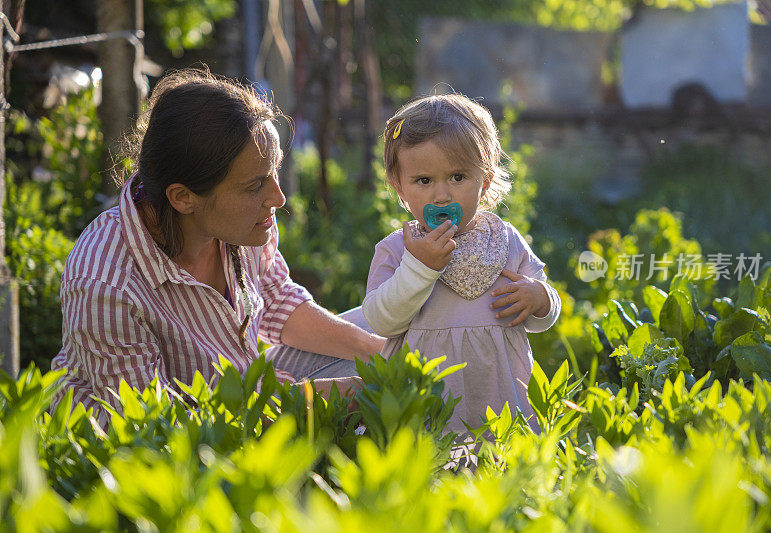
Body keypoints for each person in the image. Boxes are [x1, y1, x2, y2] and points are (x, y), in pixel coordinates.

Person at [51, 69, 384, 424]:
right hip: (163, 447)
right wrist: (313, 399)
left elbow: (275, 301)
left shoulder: (243, 224)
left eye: (275, 173)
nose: (278, 197)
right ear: (183, 198)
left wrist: (376, 352)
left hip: (240, 386)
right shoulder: (105, 283)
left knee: (391, 334)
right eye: (255, 185)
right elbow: (155, 422)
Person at [362, 94, 561, 434]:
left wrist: (539, 299)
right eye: (424, 181)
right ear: (399, 186)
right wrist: (420, 268)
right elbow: (381, 321)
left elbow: (544, 313)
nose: (441, 195)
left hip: (499, 394)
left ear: (484, 180)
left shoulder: (505, 240)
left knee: (500, 470)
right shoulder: (399, 250)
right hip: (426, 397)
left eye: (457, 177)